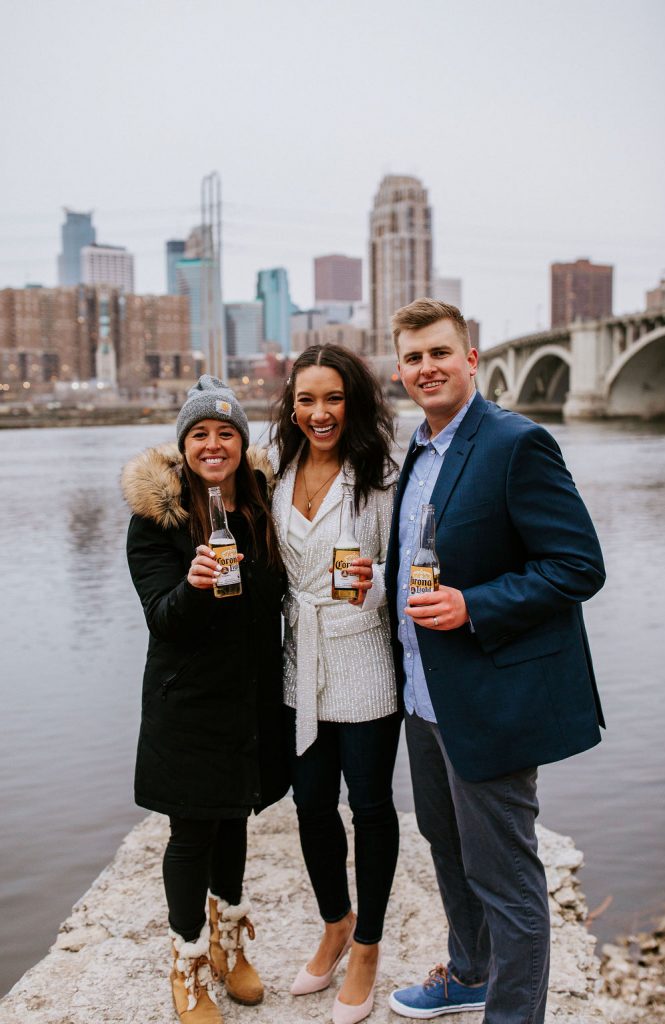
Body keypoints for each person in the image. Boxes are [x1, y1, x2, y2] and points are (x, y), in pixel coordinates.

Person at [384, 300, 606, 1024]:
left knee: (506, 877)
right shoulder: (417, 447)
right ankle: (470, 972)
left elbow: (576, 565)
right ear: (399, 369)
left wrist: (472, 604)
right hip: (423, 693)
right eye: (413, 357)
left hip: (488, 696)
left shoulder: (516, 442)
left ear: (471, 358)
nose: (427, 368)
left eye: (440, 352)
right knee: (444, 846)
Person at [122, 375, 288, 1024]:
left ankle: (228, 942)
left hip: (249, 696)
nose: (213, 444)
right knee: (192, 831)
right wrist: (192, 584)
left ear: (241, 444)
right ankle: (187, 962)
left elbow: (275, 592)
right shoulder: (155, 521)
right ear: (183, 445)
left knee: (236, 816)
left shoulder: (257, 507)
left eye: (225, 433)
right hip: (187, 703)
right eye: (200, 434)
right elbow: (164, 618)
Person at [269, 344, 400, 1024]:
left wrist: (373, 585)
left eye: (332, 398)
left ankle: (370, 947)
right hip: (301, 660)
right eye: (306, 400)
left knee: (370, 807)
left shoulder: (379, 475)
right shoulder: (276, 472)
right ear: (290, 406)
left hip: (364, 655)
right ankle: (335, 923)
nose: (319, 413)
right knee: (311, 803)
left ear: (354, 401)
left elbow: (407, 565)